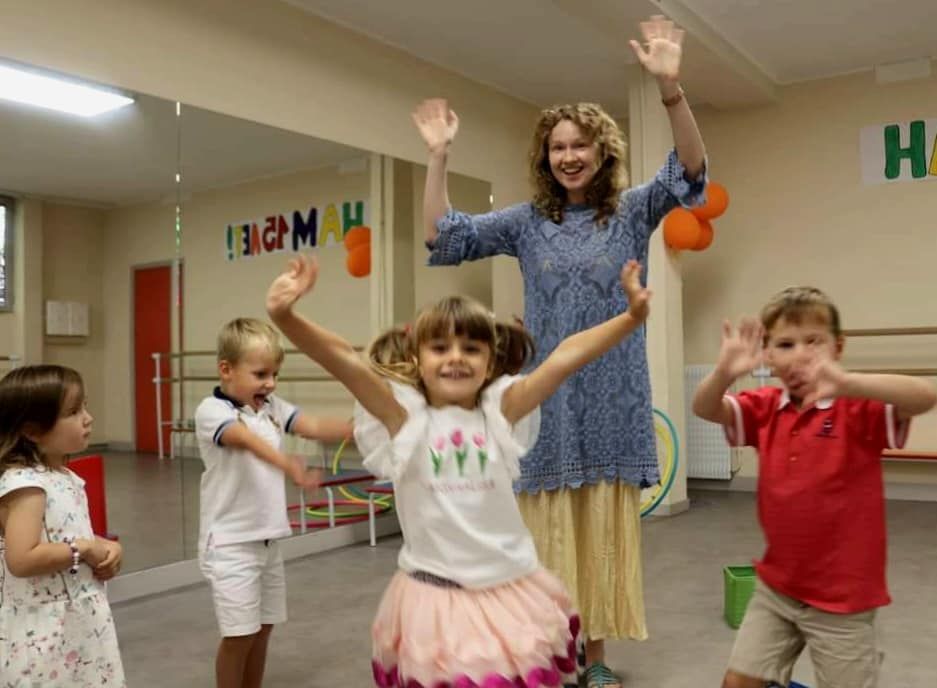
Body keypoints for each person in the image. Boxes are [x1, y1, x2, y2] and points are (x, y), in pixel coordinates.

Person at [411, 14, 707, 686]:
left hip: (613, 402)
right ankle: (541, 653)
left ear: (602, 151)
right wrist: (438, 157)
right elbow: (443, 236)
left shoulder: (633, 209)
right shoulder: (526, 222)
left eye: (579, 145)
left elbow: (690, 172)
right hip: (545, 406)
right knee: (541, 542)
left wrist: (670, 89)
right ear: (545, 158)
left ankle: (594, 660)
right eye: (556, 147)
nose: (568, 156)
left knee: (599, 540)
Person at [265, 252, 651, 687]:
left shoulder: (500, 411)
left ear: (489, 361)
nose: (456, 358)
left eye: (471, 349)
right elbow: (344, 361)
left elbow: (565, 357)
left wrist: (631, 318)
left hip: (509, 589)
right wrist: (285, 316)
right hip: (436, 596)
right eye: (440, 348)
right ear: (417, 358)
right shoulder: (402, 419)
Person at [691, 286, 937, 688]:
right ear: (768, 356)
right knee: (737, 683)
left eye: (814, 342)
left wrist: (849, 383)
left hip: (844, 600)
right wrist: (723, 373)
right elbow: (704, 408)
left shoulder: (856, 408)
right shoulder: (765, 407)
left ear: (838, 348)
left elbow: (925, 397)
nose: (800, 355)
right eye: (786, 344)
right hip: (778, 588)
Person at [194, 317, 352, 688]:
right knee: (239, 636)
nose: (270, 384)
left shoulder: (272, 407)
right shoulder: (212, 411)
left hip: (267, 542)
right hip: (230, 544)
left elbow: (313, 426)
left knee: (263, 630)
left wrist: (364, 427)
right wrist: (289, 465)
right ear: (226, 370)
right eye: (260, 374)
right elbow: (244, 440)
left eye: (275, 374)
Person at [0, 364, 126, 687]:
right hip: (45, 634)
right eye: (73, 412)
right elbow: (22, 558)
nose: (88, 418)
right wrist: (83, 549)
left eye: (85, 407)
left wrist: (106, 547)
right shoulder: (26, 485)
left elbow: (62, 532)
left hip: (79, 625)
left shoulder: (62, 477)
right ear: (32, 430)